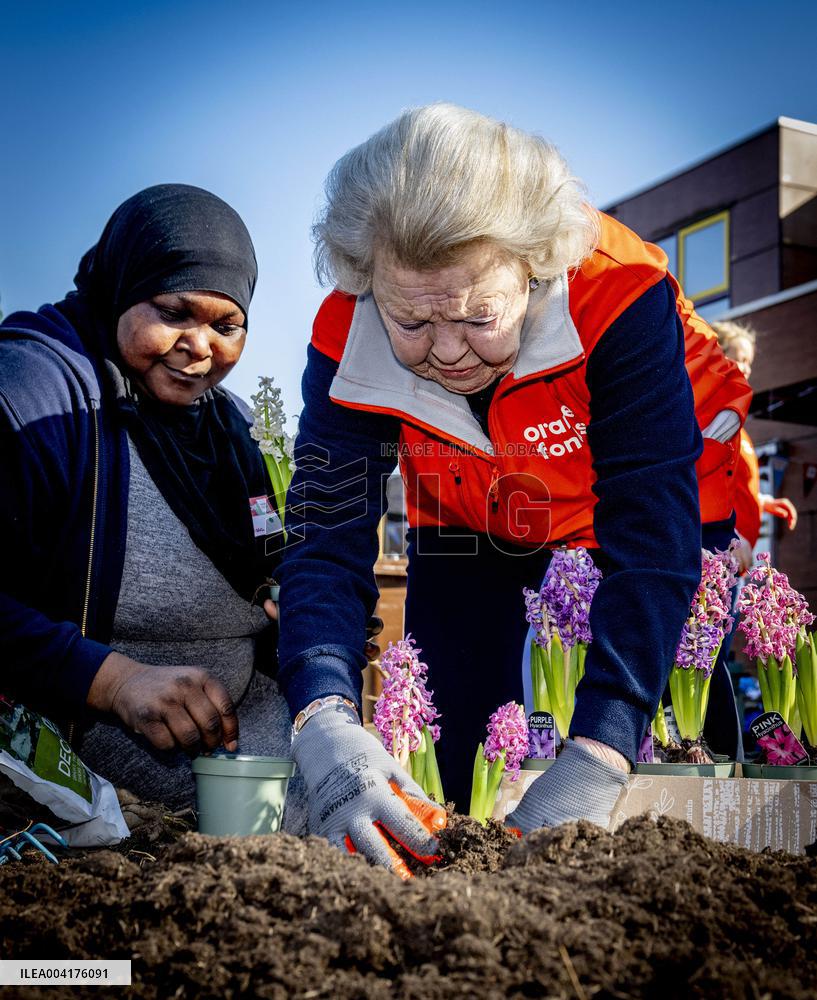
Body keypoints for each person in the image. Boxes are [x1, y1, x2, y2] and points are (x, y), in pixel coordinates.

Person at [276, 104, 752, 875]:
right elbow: (325, 537)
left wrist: (601, 746)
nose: (448, 351)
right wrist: (322, 710)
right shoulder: (345, 332)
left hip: (614, 522)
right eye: (413, 322)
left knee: (654, 738)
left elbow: (653, 526)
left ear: (534, 264)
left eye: (476, 316)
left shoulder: (618, 294)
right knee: (460, 746)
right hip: (467, 525)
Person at [0, 184, 306, 824]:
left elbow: (270, 571)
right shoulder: (35, 398)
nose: (200, 347)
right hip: (76, 763)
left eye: (227, 326)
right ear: (121, 286)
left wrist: (305, 615)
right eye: (174, 311)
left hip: (244, 752)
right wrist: (114, 681)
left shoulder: (237, 432)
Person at [712, 320, 798, 563]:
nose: (746, 368)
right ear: (718, 356)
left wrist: (763, 501)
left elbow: (733, 483)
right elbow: (706, 482)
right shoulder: (716, 416)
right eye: (739, 358)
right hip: (722, 551)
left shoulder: (737, 425)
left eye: (750, 361)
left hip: (735, 555)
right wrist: (730, 535)